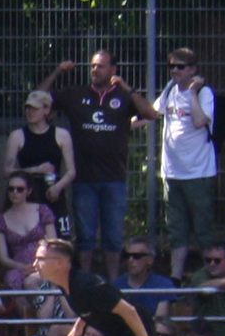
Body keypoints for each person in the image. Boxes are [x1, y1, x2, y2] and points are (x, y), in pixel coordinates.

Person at [42, 52, 155, 278]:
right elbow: (38, 98)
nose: (95, 70)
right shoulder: (77, 94)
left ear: (113, 69)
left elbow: (150, 113)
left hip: (114, 179)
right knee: (85, 237)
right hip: (84, 179)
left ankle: (113, 285)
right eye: (93, 66)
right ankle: (85, 282)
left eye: (101, 67)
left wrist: (127, 87)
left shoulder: (122, 96)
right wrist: (57, 72)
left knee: (113, 237)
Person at [156, 50, 221, 276]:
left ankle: (209, 275)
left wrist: (192, 92)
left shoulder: (204, 93)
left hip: (199, 172)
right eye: (172, 66)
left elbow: (200, 120)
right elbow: (153, 113)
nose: (174, 70)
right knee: (177, 230)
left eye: (180, 66)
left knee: (203, 229)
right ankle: (176, 277)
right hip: (172, 173)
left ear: (193, 69)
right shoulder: (170, 89)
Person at [10, 89, 78, 223]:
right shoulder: (17, 136)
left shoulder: (62, 135)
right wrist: (35, 170)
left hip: (53, 191)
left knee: (58, 239)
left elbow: (71, 171)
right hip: (27, 193)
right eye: (28, 108)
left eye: (35, 108)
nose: (30, 112)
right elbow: (7, 172)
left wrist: (58, 187)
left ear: (46, 110)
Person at [0, 170, 57, 287]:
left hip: (45, 262)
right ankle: (24, 306)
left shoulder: (42, 211)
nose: (15, 192)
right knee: (12, 279)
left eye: (20, 189)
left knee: (32, 281)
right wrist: (22, 267)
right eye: (11, 189)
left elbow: (53, 244)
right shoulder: (1, 220)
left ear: (29, 191)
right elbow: (3, 258)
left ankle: (43, 305)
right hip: (19, 265)